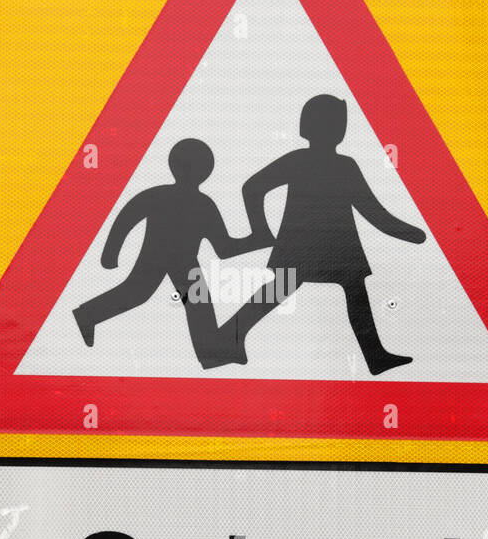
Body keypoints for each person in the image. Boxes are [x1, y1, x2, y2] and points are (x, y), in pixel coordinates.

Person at [224, 93, 426, 375]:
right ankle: (229, 337)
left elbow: (372, 211)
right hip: (326, 246)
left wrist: (408, 232)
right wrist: (409, 233)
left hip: (323, 246)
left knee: (299, 291)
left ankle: (375, 356)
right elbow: (252, 187)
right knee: (295, 291)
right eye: (338, 123)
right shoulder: (335, 164)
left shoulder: (332, 164)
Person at [73, 138, 260, 368]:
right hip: (156, 257)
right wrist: (110, 254)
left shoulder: (199, 204)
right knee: (139, 294)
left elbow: (223, 248)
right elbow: (127, 218)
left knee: (195, 304)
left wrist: (257, 241)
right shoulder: (183, 200)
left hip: (182, 261)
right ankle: (86, 315)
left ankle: (210, 354)